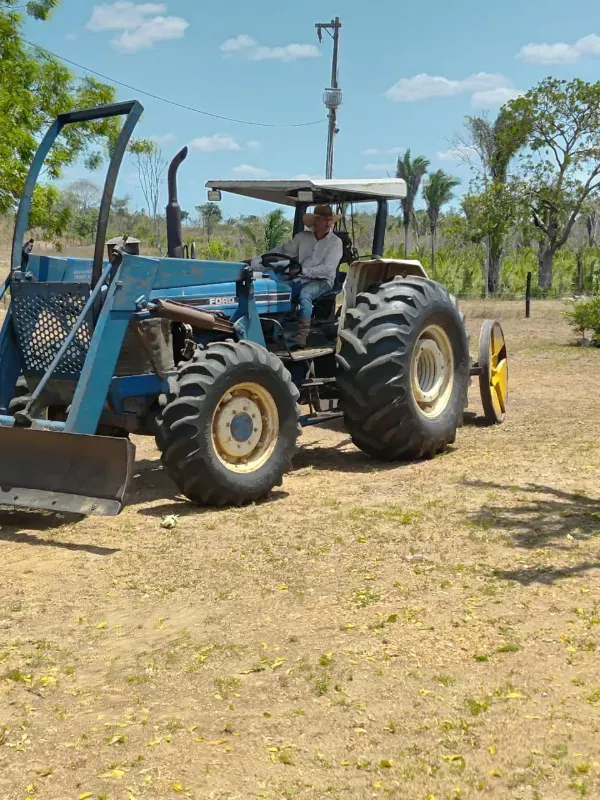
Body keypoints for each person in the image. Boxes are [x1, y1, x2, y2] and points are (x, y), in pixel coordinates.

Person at [251, 204, 343, 347]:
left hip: (323, 281)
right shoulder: (303, 237)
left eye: (330, 220)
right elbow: (283, 251)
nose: (328, 223)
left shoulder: (335, 243)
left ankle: (302, 336)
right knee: (281, 291)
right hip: (301, 278)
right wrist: (260, 259)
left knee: (305, 294)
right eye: (324, 219)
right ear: (316, 221)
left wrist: (302, 271)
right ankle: (273, 330)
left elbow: (327, 269)